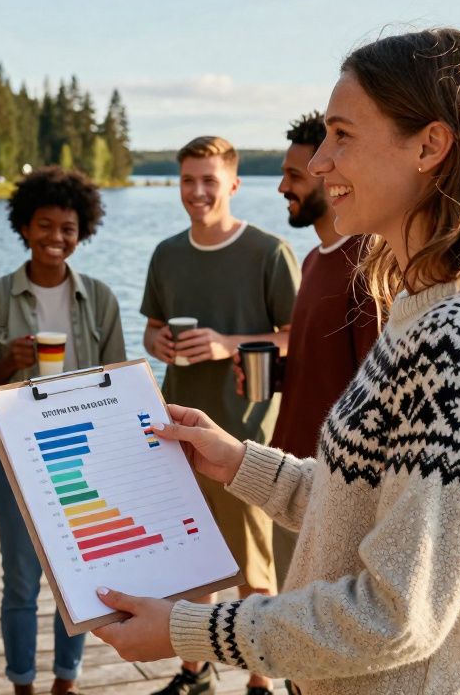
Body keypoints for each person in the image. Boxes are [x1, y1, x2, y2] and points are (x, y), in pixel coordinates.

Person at [92, 28, 460, 695]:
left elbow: (397, 614)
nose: (320, 163)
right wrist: (238, 461)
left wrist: (190, 628)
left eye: (342, 135)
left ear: (429, 146)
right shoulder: (421, 313)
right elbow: (359, 507)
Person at [140, 136, 300, 695]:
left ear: (233, 184)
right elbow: (151, 326)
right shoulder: (167, 254)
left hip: (246, 436)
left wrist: (227, 344)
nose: (198, 192)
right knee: (191, 559)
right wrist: (157, 342)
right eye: (188, 180)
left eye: (210, 180)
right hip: (174, 429)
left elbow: (294, 339)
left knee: (255, 572)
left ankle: (262, 680)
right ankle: (194, 672)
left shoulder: (269, 252)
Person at [0, 166, 127, 695]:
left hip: (82, 457)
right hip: (14, 459)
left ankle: (66, 682)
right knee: (20, 582)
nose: (56, 238)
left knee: (77, 580)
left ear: (83, 233)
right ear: (24, 227)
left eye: (68, 229)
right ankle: (21, 685)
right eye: (45, 225)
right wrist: (7, 364)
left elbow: (118, 381)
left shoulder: (99, 297)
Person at [261, 112, 379, 587]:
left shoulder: (370, 264)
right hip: (290, 481)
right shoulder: (312, 260)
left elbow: (374, 390)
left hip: (332, 491)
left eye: (293, 176)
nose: (282, 188)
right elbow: (326, 366)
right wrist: (276, 374)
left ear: (328, 174)